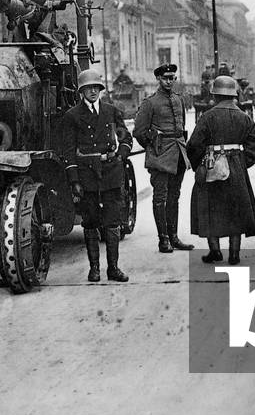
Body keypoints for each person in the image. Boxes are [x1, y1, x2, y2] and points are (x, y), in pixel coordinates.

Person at [56, 69, 133, 283]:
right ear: (81, 91)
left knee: (112, 222)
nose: (92, 91)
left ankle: (113, 268)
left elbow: (126, 138)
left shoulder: (111, 112)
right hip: (86, 175)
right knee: (90, 222)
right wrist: (74, 180)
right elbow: (68, 151)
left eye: (96, 88)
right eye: (88, 88)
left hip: (110, 172)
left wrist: (121, 155)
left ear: (100, 89)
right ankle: (94, 269)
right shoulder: (72, 116)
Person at [187, 76, 255, 265]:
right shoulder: (244, 117)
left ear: (215, 96)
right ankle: (234, 254)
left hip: (211, 166)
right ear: (234, 95)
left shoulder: (207, 117)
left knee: (210, 208)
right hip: (236, 168)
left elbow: (194, 145)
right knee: (235, 211)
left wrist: (200, 165)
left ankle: (215, 252)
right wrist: (241, 163)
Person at [133, 63, 193, 254]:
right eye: (166, 78)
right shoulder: (150, 103)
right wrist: (154, 148)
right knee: (160, 198)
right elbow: (139, 132)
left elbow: (181, 129)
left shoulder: (178, 100)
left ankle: (174, 237)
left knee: (174, 196)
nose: (169, 81)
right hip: (160, 156)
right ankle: (163, 239)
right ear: (158, 79)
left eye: (172, 78)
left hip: (179, 154)